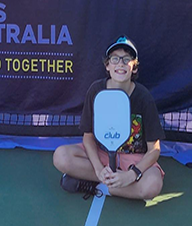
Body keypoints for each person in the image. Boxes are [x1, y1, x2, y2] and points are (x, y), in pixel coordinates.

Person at [52, 36, 164, 201]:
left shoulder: (143, 97)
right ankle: (104, 180)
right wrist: (98, 169)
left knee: (152, 186)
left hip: (133, 159)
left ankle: (99, 187)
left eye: (126, 59)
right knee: (61, 156)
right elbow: (88, 137)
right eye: (115, 59)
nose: (120, 63)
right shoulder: (96, 91)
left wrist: (131, 175)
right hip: (101, 155)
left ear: (134, 67)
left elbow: (154, 149)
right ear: (107, 65)